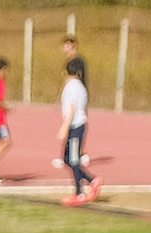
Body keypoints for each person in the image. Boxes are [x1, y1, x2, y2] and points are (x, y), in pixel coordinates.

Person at [57, 45, 98, 206]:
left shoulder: (71, 87)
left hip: (75, 127)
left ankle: (80, 192)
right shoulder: (81, 87)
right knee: (67, 159)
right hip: (78, 126)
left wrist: (64, 127)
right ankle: (92, 180)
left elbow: (72, 109)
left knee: (73, 160)